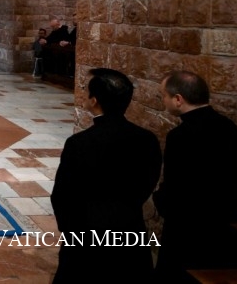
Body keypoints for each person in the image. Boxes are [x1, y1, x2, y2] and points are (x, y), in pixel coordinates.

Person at [51, 68, 162, 283]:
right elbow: (147, 183)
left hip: (85, 233)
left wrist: (69, 230)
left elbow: (62, 195)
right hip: (130, 229)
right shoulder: (147, 139)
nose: (83, 93)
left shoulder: (80, 143)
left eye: (85, 89)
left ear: (94, 100)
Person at [153, 71, 237, 282]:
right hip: (224, 222)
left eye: (163, 96)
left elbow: (176, 185)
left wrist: (161, 200)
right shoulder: (229, 127)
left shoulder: (180, 136)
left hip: (188, 228)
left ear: (178, 99)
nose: (163, 101)